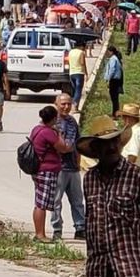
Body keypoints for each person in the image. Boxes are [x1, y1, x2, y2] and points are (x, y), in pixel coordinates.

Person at [77, 116, 140, 277]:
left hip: (130, 267)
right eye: (105, 144)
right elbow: (91, 221)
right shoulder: (90, 179)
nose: (111, 147)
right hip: (97, 267)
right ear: (96, 149)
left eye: (114, 142)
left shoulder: (139, 176)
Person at [29, 106, 71, 242]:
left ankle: (39, 233)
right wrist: (59, 134)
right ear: (53, 118)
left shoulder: (36, 129)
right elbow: (63, 147)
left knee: (39, 201)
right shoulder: (48, 133)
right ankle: (40, 234)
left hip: (38, 170)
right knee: (42, 203)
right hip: (46, 171)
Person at [51, 94, 85, 241]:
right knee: (56, 201)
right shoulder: (53, 123)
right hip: (58, 168)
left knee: (77, 200)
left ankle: (80, 228)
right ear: (56, 104)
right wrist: (67, 147)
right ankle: (57, 229)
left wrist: (78, 163)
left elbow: (77, 144)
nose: (66, 107)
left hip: (72, 168)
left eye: (68, 104)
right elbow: (60, 147)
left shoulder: (72, 122)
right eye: (63, 104)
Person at [103, 46, 124, 117]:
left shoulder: (113, 59)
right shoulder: (115, 59)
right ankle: (116, 112)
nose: (107, 53)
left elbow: (112, 70)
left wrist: (108, 79)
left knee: (114, 98)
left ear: (111, 52)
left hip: (113, 80)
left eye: (108, 51)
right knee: (115, 98)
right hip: (116, 80)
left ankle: (115, 113)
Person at [68, 42, 87, 112]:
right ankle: (75, 106)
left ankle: (75, 106)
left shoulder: (70, 52)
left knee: (74, 90)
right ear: (82, 46)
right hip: (79, 73)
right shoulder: (81, 52)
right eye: (85, 47)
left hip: (71, 73)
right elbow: (82, 63)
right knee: (78, 91)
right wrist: (86, 73)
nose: (85, 49)